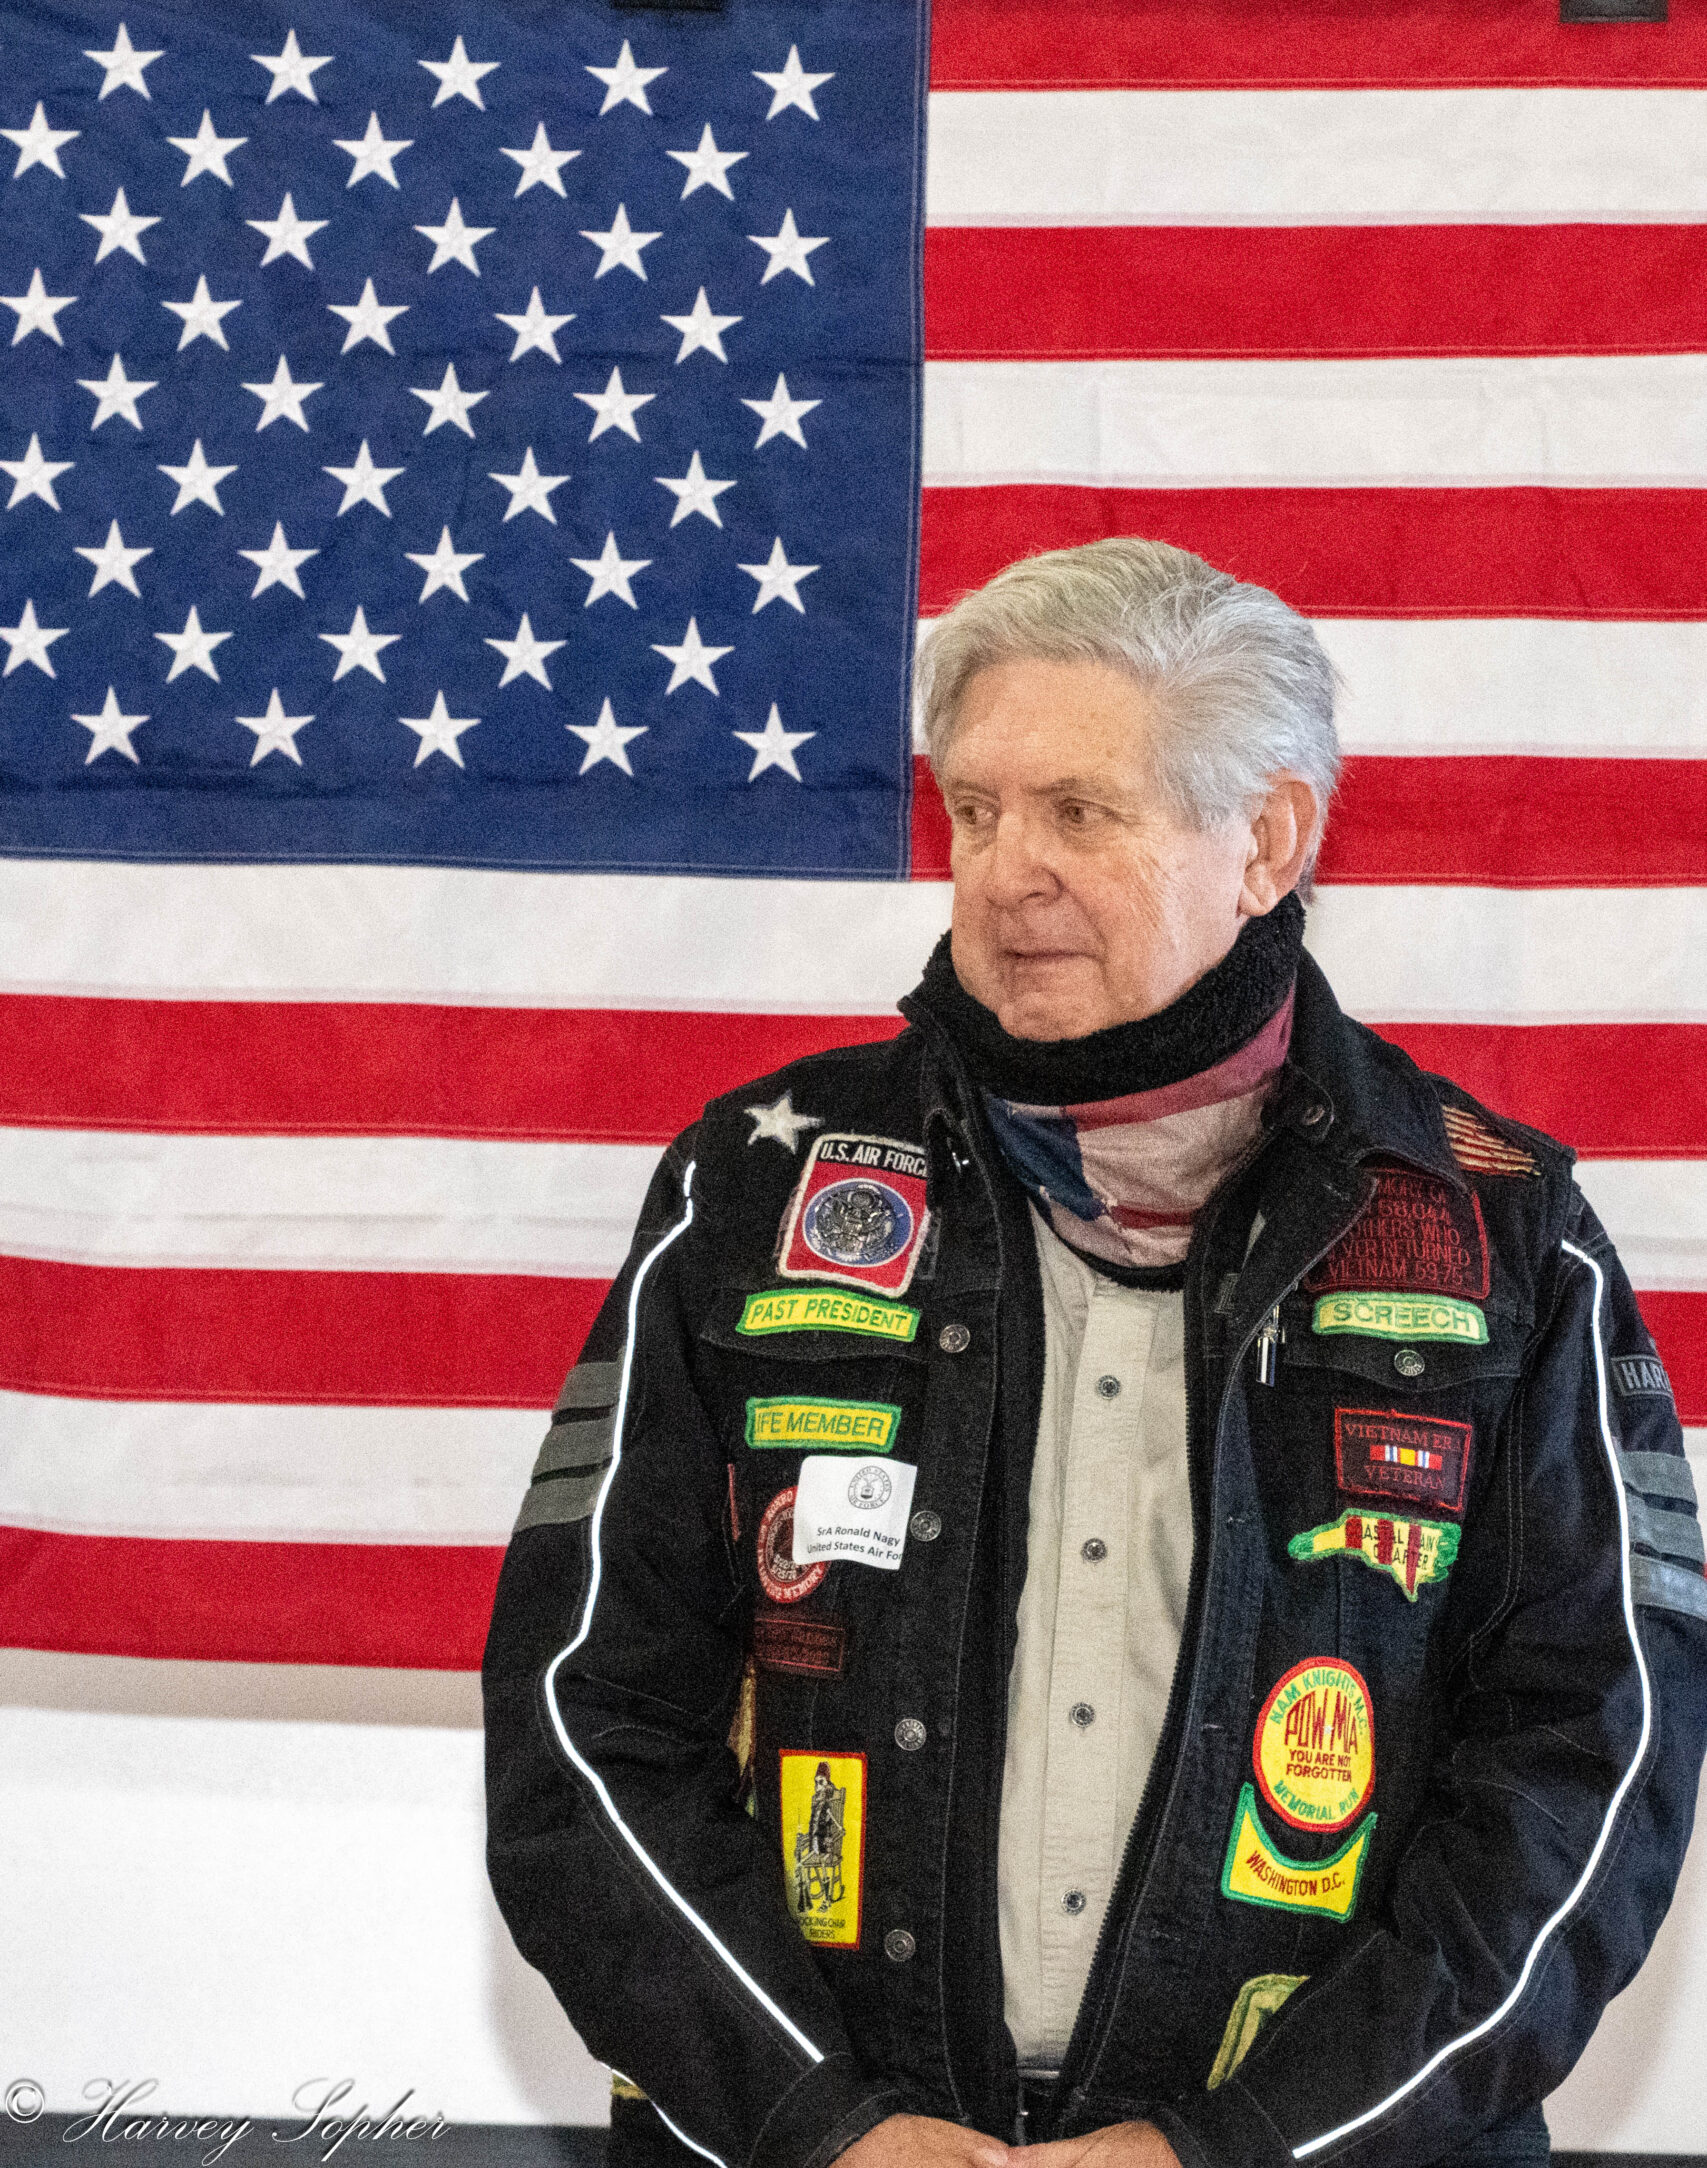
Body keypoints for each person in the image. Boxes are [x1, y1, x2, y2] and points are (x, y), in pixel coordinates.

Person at [484, 538, 1707, 2168]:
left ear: (1266, 841)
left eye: (1079, 811)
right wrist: (817, 2123)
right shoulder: (760, 1186)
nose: (1007, 873)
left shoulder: (1499, 1229)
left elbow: (1593, 1767)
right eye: (976, 812)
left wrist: (1246, 2146)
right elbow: (583, 1716)